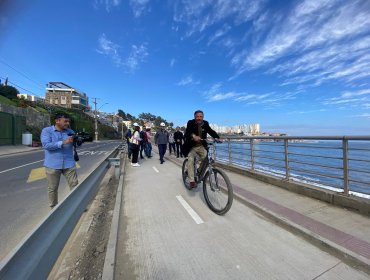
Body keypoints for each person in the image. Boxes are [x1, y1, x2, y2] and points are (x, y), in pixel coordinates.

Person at [41, 113, 81, 208]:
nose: (67, 123)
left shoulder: (70, 131)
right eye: (65, 121)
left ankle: (76, 205)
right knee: (53, 188)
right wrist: (63, 142)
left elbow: (76, 145)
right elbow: (46, 145)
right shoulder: (47, 131)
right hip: (52, 165)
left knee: (75, 185)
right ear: (57, 121)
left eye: (68, 121)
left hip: (69, 163)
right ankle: (53, 208)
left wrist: (78, 142)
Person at [184, 110, 220, 188]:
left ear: (203, 117)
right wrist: (194, 136)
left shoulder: (205, 123)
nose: (199, 118)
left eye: (201, 116)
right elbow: (188, 131)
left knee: (206, 159)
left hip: (201, 146)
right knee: (190, 159)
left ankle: (198, 171)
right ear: (194, 117)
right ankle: (191, 180)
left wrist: (217, 138)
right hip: (191, 146)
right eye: (197, 116)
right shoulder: (190, 122)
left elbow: (210, 131)